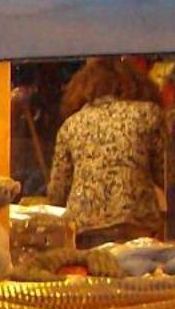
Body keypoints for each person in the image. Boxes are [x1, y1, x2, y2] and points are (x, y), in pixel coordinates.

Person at [47, 57, 168, 247]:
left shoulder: (71, 125)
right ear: (135, 84)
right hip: (136, 225)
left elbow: (57, 193)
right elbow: (166, 175)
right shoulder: (148, 114)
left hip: (84, 228)